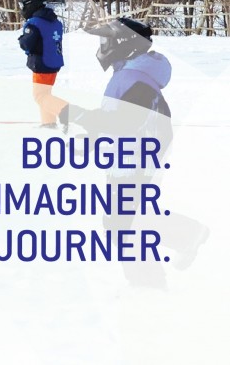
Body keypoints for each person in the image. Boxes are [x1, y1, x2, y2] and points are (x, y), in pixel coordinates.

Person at [62, 17, 208, 287]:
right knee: (127, 222)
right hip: (129, 159)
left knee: (125, 226)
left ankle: (149, 284)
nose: (103, 47)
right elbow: (119, 121)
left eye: (107, 41)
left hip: (137, 163)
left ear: (123, 44)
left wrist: (81, 115)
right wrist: (90, 140)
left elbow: (126, 122)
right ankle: (186, 237)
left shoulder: (135, 79)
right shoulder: (129, 74)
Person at [17, 0, 67, 129]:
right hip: (53, 63)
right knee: (45, 94)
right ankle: (48, 123)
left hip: (42, 63)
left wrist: (22, 39)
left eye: (23, 5)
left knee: (40, 96)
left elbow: (27, 43)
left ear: (30, 5)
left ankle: (66, 111)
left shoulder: (34, 23)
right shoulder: (54, 20)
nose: (22, 9)